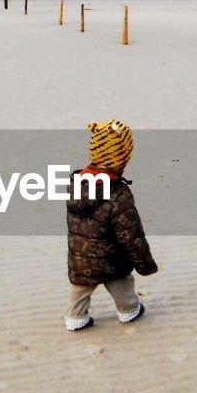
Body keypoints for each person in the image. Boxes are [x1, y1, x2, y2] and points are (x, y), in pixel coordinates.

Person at [65, 120, 157, 331]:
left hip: (80, 258)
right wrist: (145, 264)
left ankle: (75, 317)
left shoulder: (76, 185)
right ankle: (128, 311)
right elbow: (131, 235)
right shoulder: (118, 194)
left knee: (80, 287)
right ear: (122, 157)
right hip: (112, 260)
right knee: (123, 284)